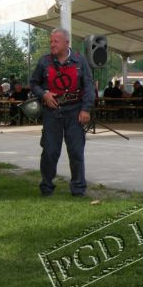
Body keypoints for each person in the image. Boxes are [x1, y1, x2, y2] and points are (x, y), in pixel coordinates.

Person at [30, 27, 94, 197]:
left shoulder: (80, 61)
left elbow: (88, 87)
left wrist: (85, 109)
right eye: (51, 41)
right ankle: (46, 187)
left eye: (55, 41)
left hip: (74, 112)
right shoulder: (44, 62)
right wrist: (44, 94)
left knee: (75, 151)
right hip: (52, 113)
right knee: (50, 151)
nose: (52, 44)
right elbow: (33, 83)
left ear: (67, 42)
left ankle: (78, 189)